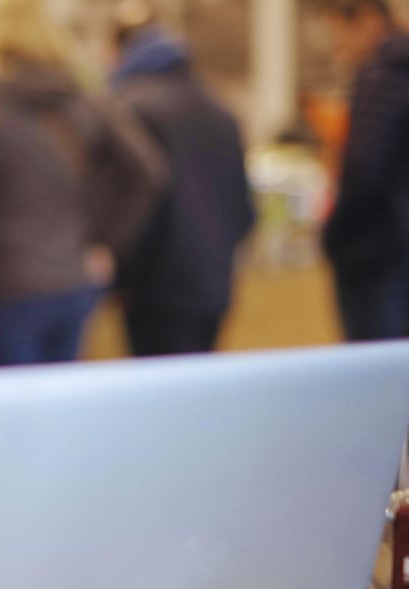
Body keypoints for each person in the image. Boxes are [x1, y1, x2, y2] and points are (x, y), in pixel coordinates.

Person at [0, 0, 164, 367]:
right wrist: (105, 243)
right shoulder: (83, 100)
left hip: (0, 283)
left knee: (9, 411)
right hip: (72, 280)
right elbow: (147, 170)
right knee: (60, 408)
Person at [109, 4, 255, 356]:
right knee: (199, 393)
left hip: (157, 290)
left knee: (158, 397)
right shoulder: (221, 108)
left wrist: (124, 274)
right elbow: (244, 209)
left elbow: (131, 203)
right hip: (213, 285)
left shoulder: (129, 106)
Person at [320, 0, 409, 340]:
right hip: (396, 246)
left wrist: (335, 234)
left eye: (339, 31)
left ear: (368, 20)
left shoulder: (381, 76)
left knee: (374, 373)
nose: (336, 45)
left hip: (378, 252)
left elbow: (364, 170)